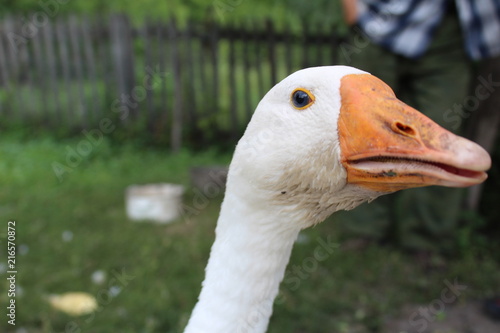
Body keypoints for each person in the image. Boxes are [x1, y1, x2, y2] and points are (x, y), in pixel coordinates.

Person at [338, 0, 500, 253]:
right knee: (362, 129)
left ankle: (425, 240)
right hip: (382, 19)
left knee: (441, 133)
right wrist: (352, 7)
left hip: (455, 28)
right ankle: (362, 231)